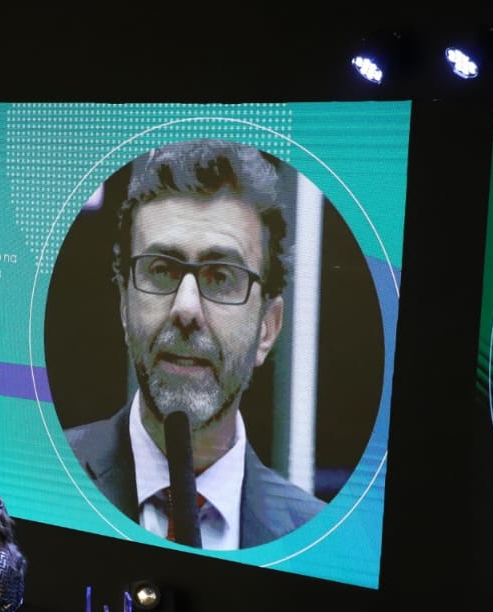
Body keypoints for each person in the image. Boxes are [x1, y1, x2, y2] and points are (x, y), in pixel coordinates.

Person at [65, 139, 325, 550]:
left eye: (221, 276)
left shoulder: (317, 538)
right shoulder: (40, 475)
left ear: (268, 329)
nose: (185, 309)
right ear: (124, 307)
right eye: (161, 270)